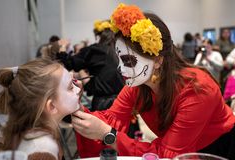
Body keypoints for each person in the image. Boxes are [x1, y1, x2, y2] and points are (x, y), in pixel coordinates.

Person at [71, 3, 235, 159]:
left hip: (218, 150)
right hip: (178, 148)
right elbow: (111, 119)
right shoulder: (137, 84)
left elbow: (168, 154)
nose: (120, 69)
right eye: (119, 60)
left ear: (158, 60)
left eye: (128, 61)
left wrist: (109, 135)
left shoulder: (198, 88)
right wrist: (76, 107)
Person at [0, 58, 82, 159]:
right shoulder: (43, 149)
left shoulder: (40, 133)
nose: (78, 89)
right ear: (51, 106)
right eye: (71, 87)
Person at [56, 20, 124, 111]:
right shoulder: (120, 50)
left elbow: (68, 63)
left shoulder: (96, 50)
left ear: (98, 36)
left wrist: (63, 47)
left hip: (104, 105)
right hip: (124, 101)